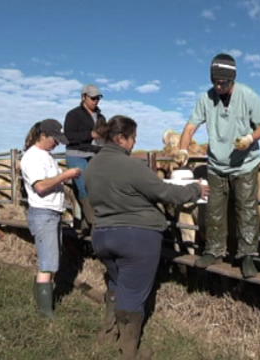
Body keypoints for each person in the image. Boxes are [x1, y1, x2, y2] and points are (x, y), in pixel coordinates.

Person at [84, 115, 209, 359]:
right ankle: (130, 350)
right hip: (135, 239)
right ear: (121, 138)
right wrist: (195, 189)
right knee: (133, 294)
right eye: (132, 139)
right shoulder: (131, 166)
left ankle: (107, 336)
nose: (134, 143)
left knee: (116, 284)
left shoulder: (93, 166)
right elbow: (164, 191)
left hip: (102, 236)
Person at [175, 53, 260, 279]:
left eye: (223, 82)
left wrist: (249, 138)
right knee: (214, 210)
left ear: (232, 79)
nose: (218, 86)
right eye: (215, 81)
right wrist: (183, 149)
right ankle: (214, 251)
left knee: (246, 211)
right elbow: (190, 127)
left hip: (245, 165)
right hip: (217, 165)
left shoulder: (248, 96)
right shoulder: (206, 99)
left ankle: (247, 256)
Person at [20, 118, 82, 318]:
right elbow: (40, 186)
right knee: (48, 263)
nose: (57, 143)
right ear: (43, 136)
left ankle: (41, 302)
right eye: (55, 139)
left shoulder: (45, 155)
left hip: (51, 213)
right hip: (44, 213)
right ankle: (46, 312)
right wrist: (65, 176)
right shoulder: (33, 158)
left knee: (50, 260)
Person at [64, 84, 107, 234]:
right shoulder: (73, 115)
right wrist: (91, 134)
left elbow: (103, 139)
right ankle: (96, 225)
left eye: (98, 98)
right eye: (93, 98)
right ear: (84, 97)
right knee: (83, 187)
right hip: (76, 154)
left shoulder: (101, 117)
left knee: (97, 187)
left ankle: (85, 225)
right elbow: (68, 137)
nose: (96, 101)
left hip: (95, 154)